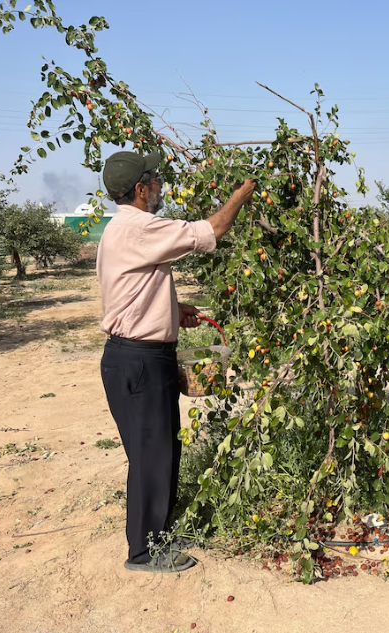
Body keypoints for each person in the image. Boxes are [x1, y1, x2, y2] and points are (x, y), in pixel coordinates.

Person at [97, 150, 254, 572]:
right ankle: (144, 553)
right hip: (140, 361)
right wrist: (243, 194)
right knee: (151, 455)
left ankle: (157, 534)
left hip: (136, 357)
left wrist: (172, 307)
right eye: (155, 179)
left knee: (161, 451)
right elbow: (213, 229)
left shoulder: (118, 230)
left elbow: (131, 287)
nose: (161, 185)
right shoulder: (140, 226)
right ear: (141, 189)